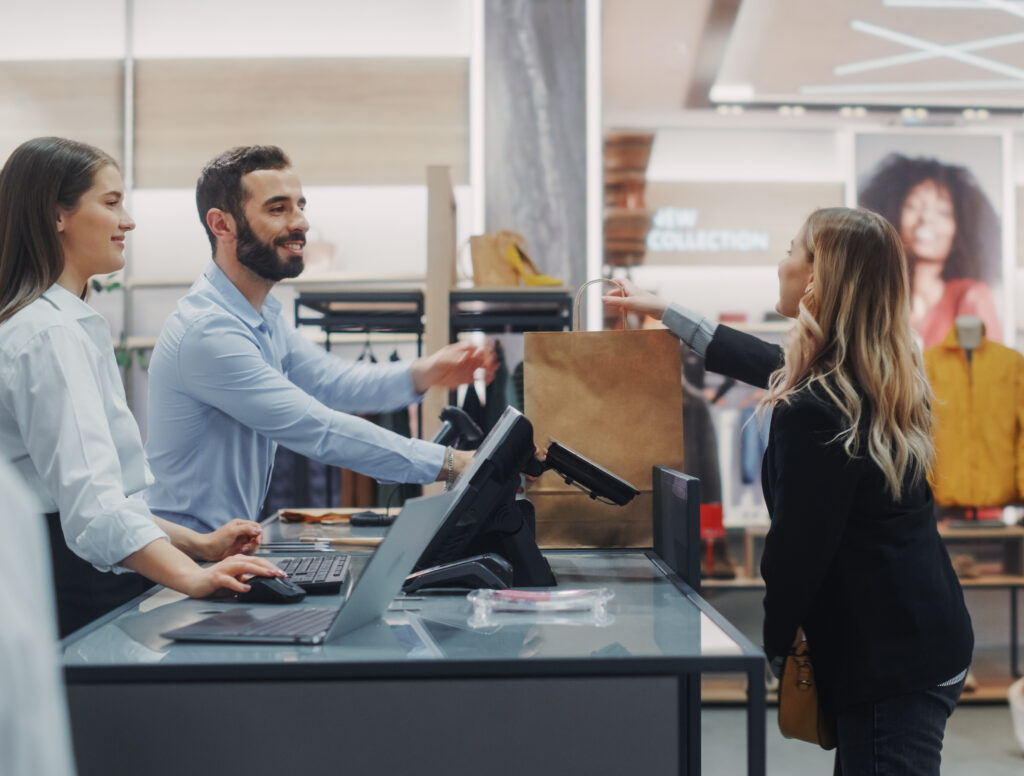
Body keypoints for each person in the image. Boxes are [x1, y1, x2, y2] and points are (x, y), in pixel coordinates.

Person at [604, 207, 973, 774]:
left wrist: (777, 651)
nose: (780, 261)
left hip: (888, 661)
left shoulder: (818, 409)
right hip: (923, 636)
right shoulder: (874, 376)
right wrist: (667, 312)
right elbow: (769, 361)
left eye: (790, 249)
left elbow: (796, 554)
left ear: (816, 277)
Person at [0, 137, 287, 637]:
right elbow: (92, 506)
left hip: (64, 569)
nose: (128, 220)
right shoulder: (49, 335)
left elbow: (108, 496)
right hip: (66, 584)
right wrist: (194, 578)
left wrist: (198, 545)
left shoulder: (59, 324)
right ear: (56, 216)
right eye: (111, 203)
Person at [145, 145, 495, 533]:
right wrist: (452, 463)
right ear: (222, 225)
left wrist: (422, 373)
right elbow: (319, 429)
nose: (301, 223)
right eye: (278, 209)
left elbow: (332, 381)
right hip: (179, 564)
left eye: (300, 206)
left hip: (222, 551)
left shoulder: (260, 317)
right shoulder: (208, 332)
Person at [859, 153, 1002, 347]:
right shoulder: (872, 298)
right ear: (891, 214)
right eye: (913, 205)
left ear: (960, 228)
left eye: (943, 211)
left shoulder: (972, 297)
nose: (925, 217)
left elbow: (992, 373)